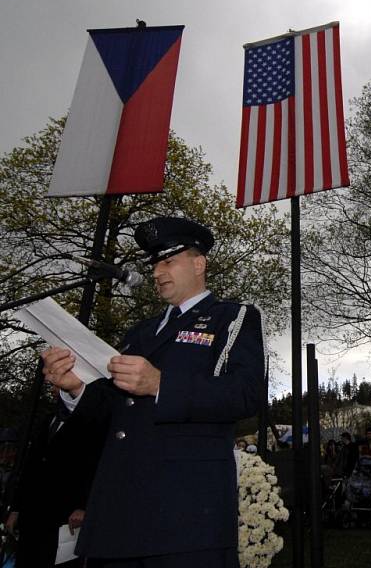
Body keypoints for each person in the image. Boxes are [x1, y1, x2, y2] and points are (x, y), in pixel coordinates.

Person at [41, 216, 266, 567]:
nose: (158, 272)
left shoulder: (233, 318)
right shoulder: (139, 333)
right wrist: (75, 388)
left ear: (198, 263)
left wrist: (162, 385)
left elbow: (247, 394)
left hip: (184, 512)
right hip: (118, 508)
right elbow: (115, 407)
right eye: (154, 264)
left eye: (168, 261)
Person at [5, 389, 106, 567]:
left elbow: (93, 465)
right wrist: (16, 509)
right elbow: (30, 467)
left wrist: (84, 506)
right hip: (32, 513)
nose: (54, 389)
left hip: (64, 514)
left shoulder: (93, 421)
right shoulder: (47, 420)